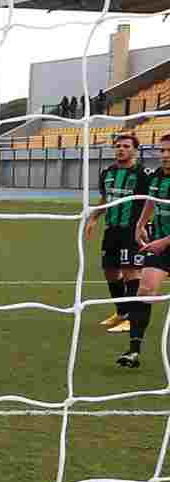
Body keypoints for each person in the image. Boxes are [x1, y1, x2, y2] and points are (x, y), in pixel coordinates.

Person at [86, 134, 153, 334]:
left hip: (132, 231)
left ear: (135, 150)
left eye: (126, 146)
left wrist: (146, 226)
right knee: (110, 271)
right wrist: (94, 218)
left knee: (131, 271)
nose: (121, 149)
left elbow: (152, 201)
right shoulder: (107, 172)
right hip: (112, 230)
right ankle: (122, 313)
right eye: (118, 146)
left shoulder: (144, 174)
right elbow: (106, 198)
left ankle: (132, 318)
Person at [120, 133, 170, 368]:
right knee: (145, 290)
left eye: (169, 151)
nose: (165, 155)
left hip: (164, 243)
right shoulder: (158, 175)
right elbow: (151, 200)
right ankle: (133, 351)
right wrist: (140, 224)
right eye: (162, 151)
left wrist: (165, 240)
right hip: (161, 246)